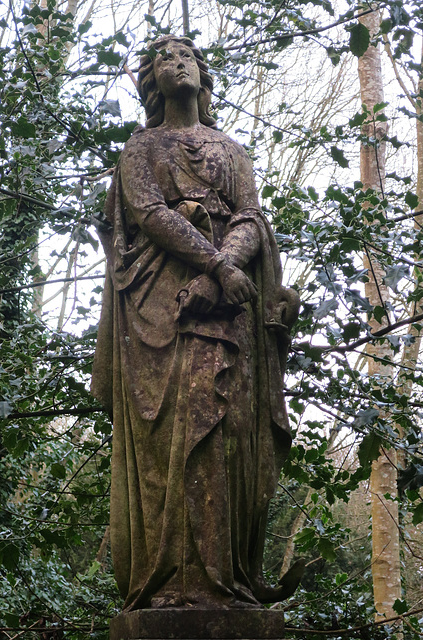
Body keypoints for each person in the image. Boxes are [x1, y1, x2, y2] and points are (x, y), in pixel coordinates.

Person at [91, 35, 300, 611]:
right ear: (151, 82)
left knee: (225, 430)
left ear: (203, 76)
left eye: (185, 55)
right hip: (158, 308)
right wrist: (211, 265)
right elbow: (150, 214)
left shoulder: (231, 151)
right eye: (163, 58)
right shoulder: (141, 148)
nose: (175, 63)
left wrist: (223, 273)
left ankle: (223, 582)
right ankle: (169, 585)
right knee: (170, 438)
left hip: (225, 310)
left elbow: (253, 218)